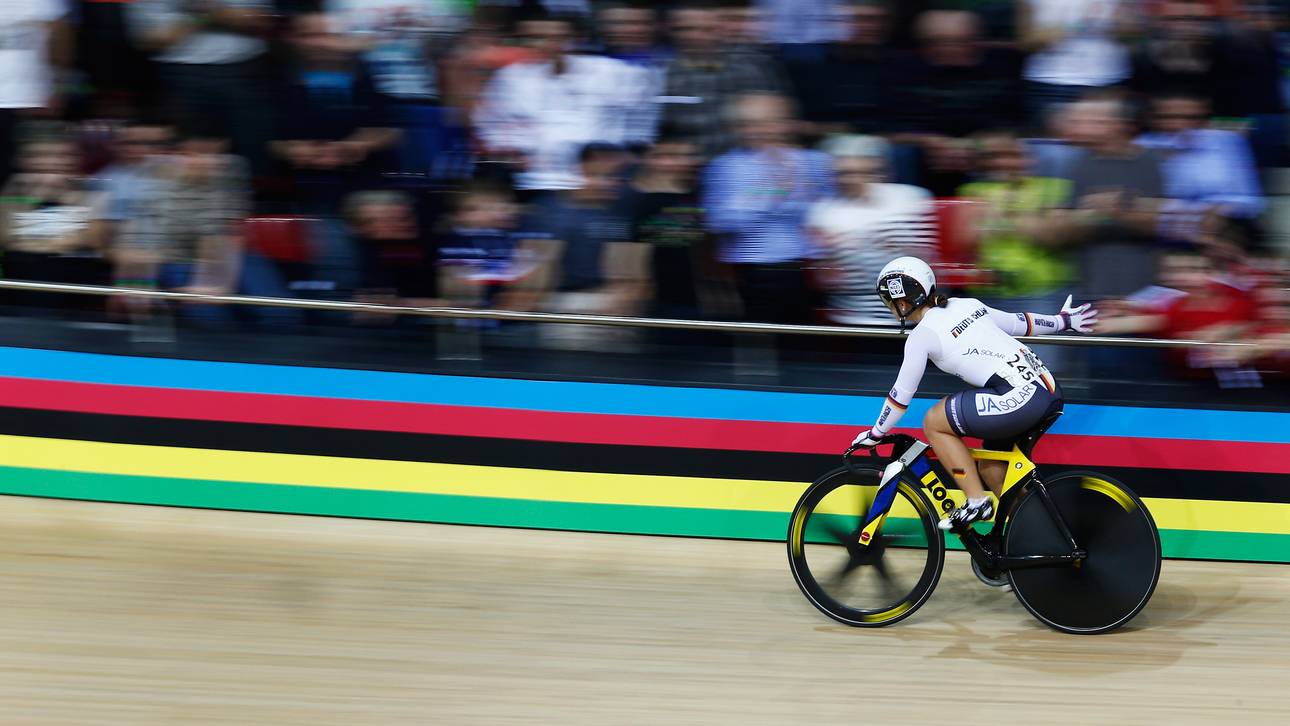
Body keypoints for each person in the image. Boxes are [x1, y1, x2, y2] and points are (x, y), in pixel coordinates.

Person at [850, 256, 1098, 530]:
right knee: (993, 469)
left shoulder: (921, 336)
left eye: (888, 302)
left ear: (903, 302)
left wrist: (876, 433)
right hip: (1046, 387)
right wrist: (1063, 321)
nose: (889, 308)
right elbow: (1022, 322)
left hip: (1019, 397)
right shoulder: (966, 305)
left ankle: (976, 502)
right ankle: (1035, 535)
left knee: (935, 421)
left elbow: (900, 396)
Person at [806, 134, 936, 326]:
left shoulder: (912, 200)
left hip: (915, 316)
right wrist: (829, 260)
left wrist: (901, 249)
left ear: (880, 170)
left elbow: (931, 260)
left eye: (862, 172)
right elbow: (824, 279)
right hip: (855, 318)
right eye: (844, 173)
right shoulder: (823, 212)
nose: (853, 180)